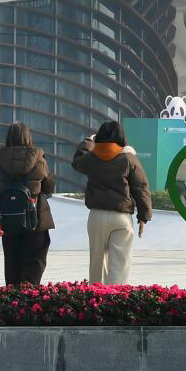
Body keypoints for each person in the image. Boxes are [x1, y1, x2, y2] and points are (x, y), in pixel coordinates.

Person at [71, 121, 151, 285]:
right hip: (121, 218)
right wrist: (143, 216)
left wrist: (88, 141)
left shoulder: (91, 158)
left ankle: (97, 297)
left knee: (97, 264)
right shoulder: (129, 158)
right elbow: (140, 187)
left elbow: (77, 161)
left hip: (97, 217)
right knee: (120, 265)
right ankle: (116, 297)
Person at [0, 123, 54, 286]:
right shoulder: (38, 158)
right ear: (28, 137)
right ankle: (28, 292)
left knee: (12, 261)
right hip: (35, 217)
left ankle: (12, 296)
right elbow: (48, 188)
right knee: (35, 259)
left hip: (8, 218)